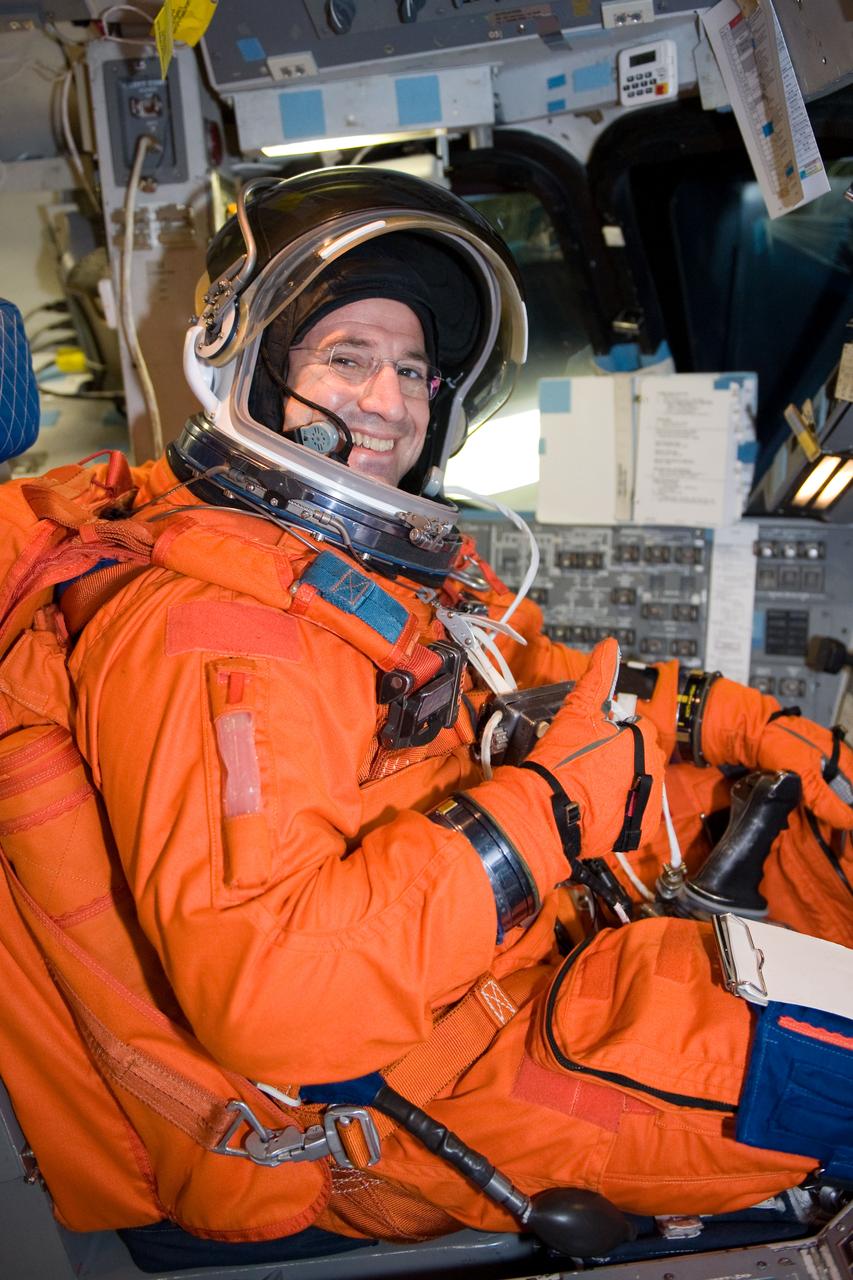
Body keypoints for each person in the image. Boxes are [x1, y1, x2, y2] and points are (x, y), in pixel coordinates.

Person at [1, 168, 852, 1261]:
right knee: (821, 1064)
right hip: (395, 1096)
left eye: (413, 367)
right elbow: (281, 1002)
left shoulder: (354, 568)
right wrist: (546, 812)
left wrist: (722, 721)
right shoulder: (214, 634)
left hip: (502, 966)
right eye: (346, 358)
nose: (391, 402)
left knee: (818, 845)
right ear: (251, 366)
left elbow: (533, 672)